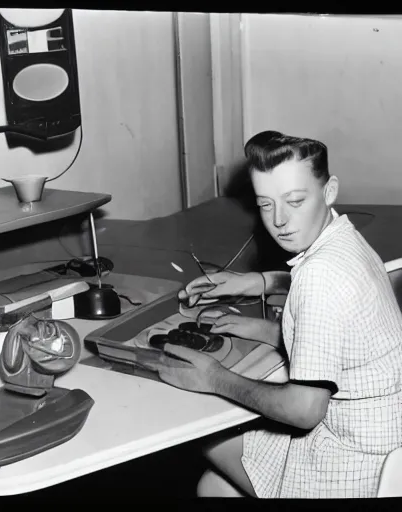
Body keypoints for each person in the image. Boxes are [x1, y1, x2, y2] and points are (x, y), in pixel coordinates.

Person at [151, 131, 402, 498]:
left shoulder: (318, 276)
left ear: (329, 190)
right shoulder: (345, 235)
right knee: (214, 486)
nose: (280, 220)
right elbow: (345, 335)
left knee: (203, 438)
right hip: (389, 443)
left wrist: (215, 378)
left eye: (294, 200)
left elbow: (304, 410)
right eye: (265, 205)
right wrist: (258, 291)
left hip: (358, 462)